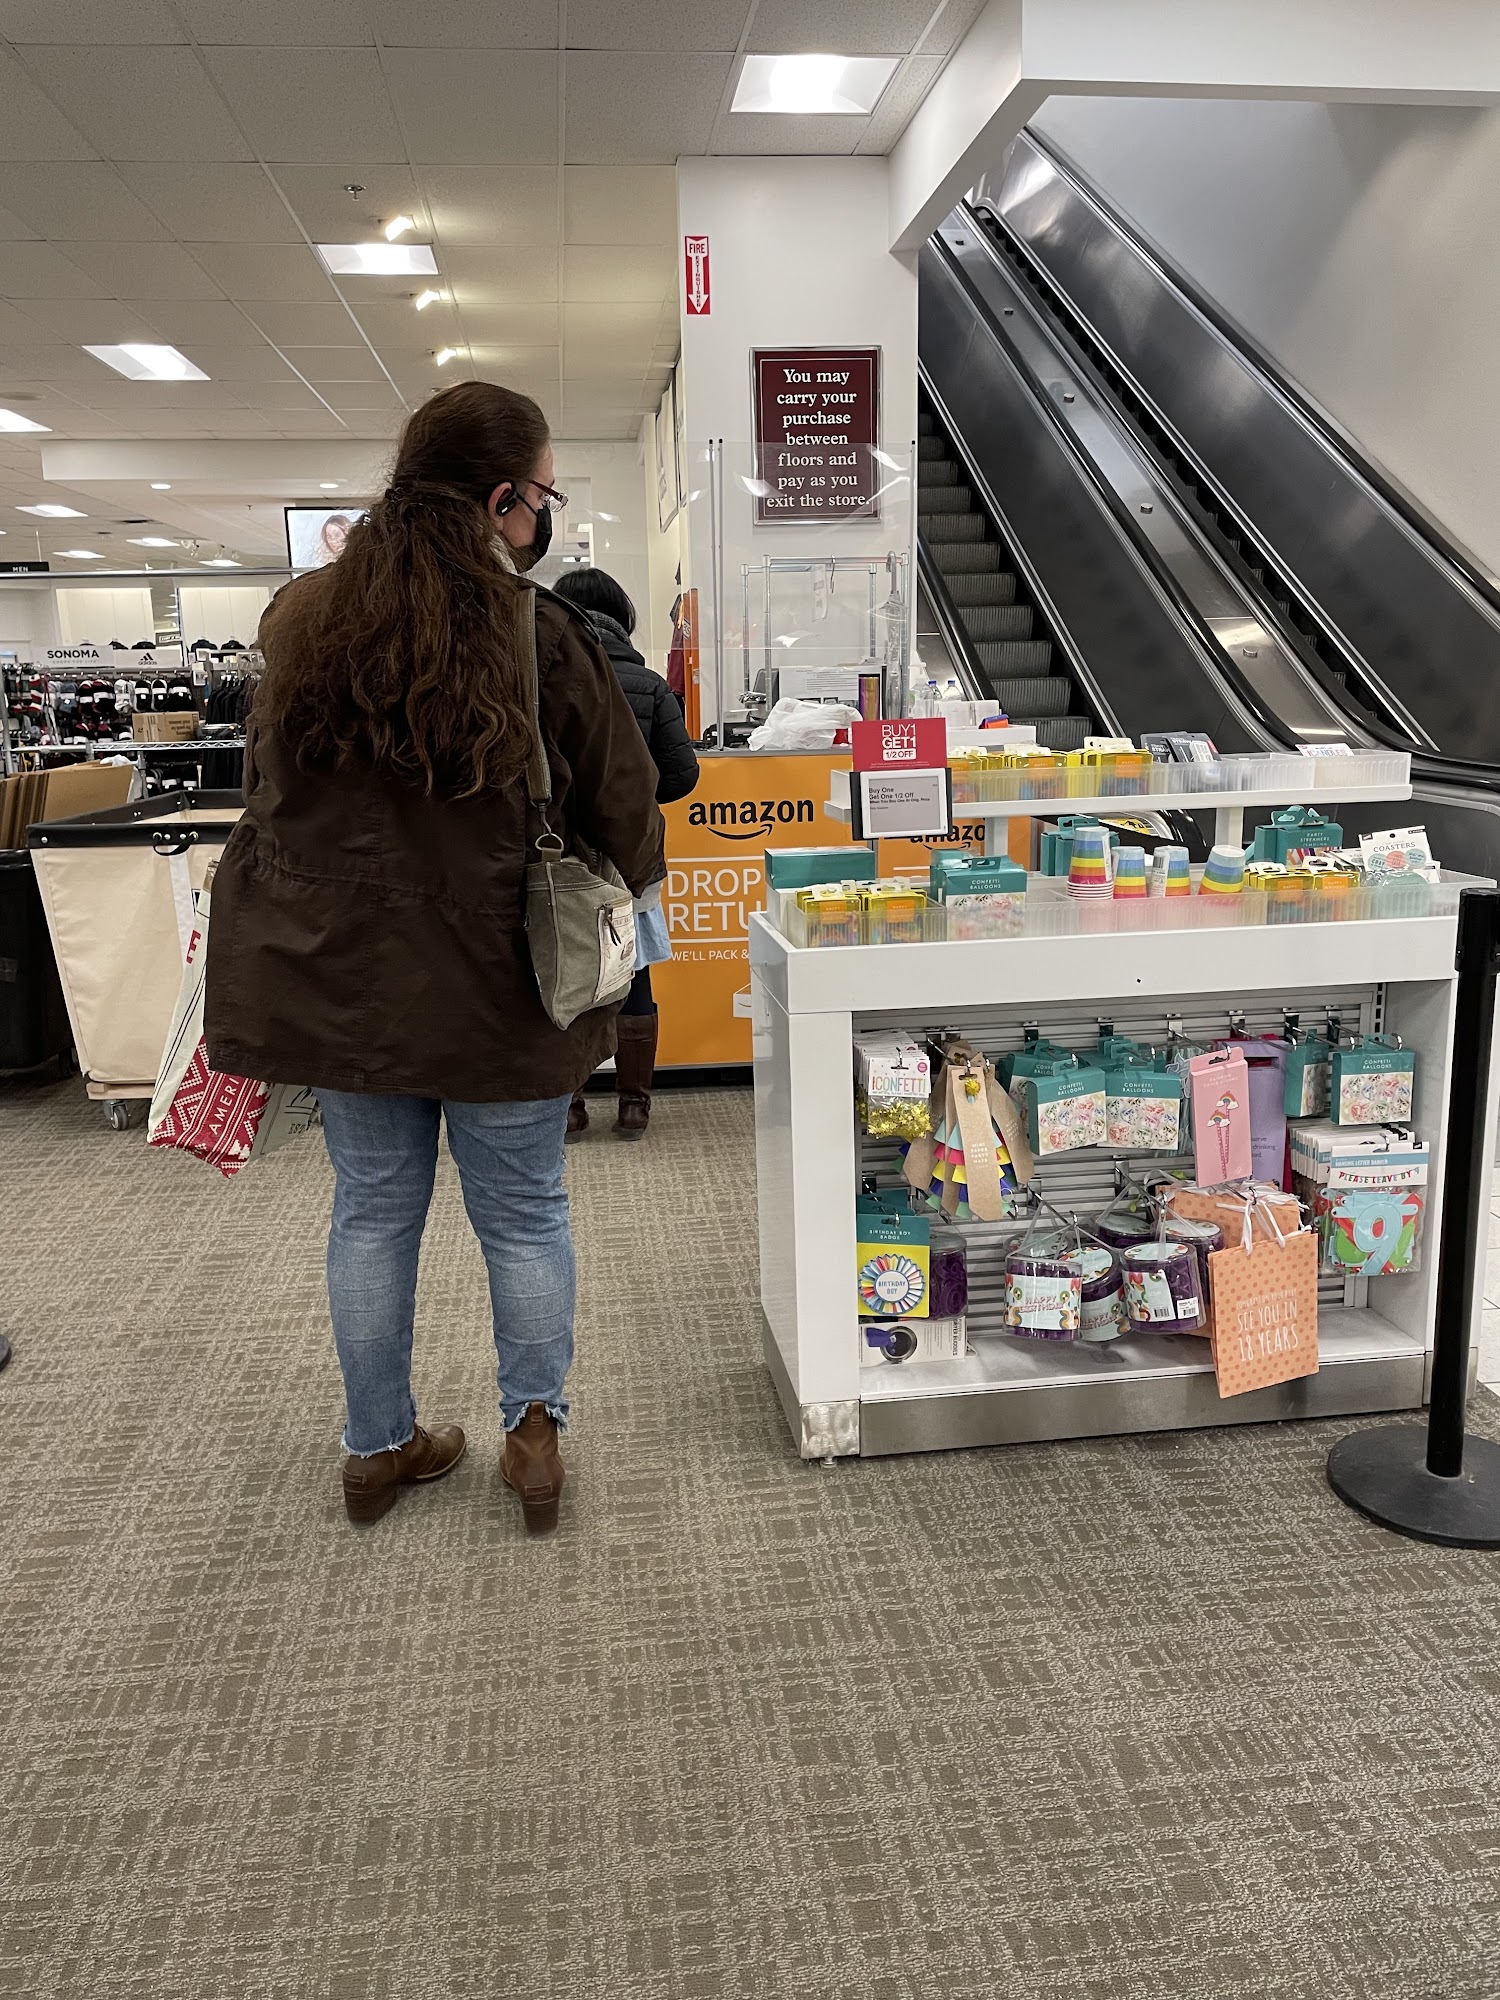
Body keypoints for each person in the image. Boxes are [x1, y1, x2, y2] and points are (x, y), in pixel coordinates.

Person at [204, 381, 665, 1537]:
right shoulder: (536, 631)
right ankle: (534, 1440)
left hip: (342, 978)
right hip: (502, 980)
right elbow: (627, 807)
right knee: (524, 1215)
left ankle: (376, 1447)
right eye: (546, 494)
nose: (544, 516)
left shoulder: (300, 619)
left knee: (370, 1213)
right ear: (504, 499)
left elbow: (269, 795)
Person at [552, 565, 698, 1137]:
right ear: (622, 616)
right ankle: (634, 1105)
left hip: (558, 853)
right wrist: (634, 796)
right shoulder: (648, 684)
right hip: (630, 854)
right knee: (632, 973)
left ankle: (568, 1107)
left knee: (562, 973)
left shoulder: (540, 674)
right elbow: (682, 775)